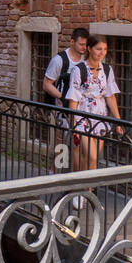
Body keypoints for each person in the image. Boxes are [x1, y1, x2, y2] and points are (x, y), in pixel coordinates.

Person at [66, 34, 125, 177]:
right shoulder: (78, 70)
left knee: (92, 159)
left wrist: (117, 121)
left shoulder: (107, 70)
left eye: (105, 49)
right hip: (82, 116)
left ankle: (86, 191)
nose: (102, 53)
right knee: (91, 156)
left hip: (100, 117)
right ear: (89, 49)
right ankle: (78, 187)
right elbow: (73, 98)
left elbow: (110, 96)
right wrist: (73, 123)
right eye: (98, 49)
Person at [42, 28, 89, 170]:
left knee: (77, 143)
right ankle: (55, 173)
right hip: (63, 107)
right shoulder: (59, 60)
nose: (84, 48)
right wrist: (64, 99)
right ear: (72, 42)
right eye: (81, 44)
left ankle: (74, 176)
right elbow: (46, 84)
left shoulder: (86, 61)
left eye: (86, 45)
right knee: (62, 141)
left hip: (82, 108)